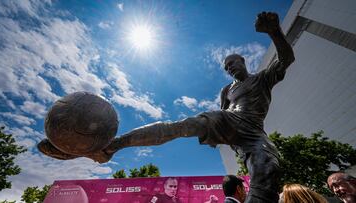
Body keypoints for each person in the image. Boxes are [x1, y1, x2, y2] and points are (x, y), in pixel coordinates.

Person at [104, 11, 295, 203]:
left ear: (242, 61)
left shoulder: (261, 79)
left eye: (232, 64)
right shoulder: (227, 90)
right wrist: (212, 133)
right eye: (226, 68)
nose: (229, 69)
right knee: (182, 126)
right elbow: (222, 112)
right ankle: (118, 143)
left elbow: (286, 59)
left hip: (254, 134)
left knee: (268, 170)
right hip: (230, 121)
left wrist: (274, 32)